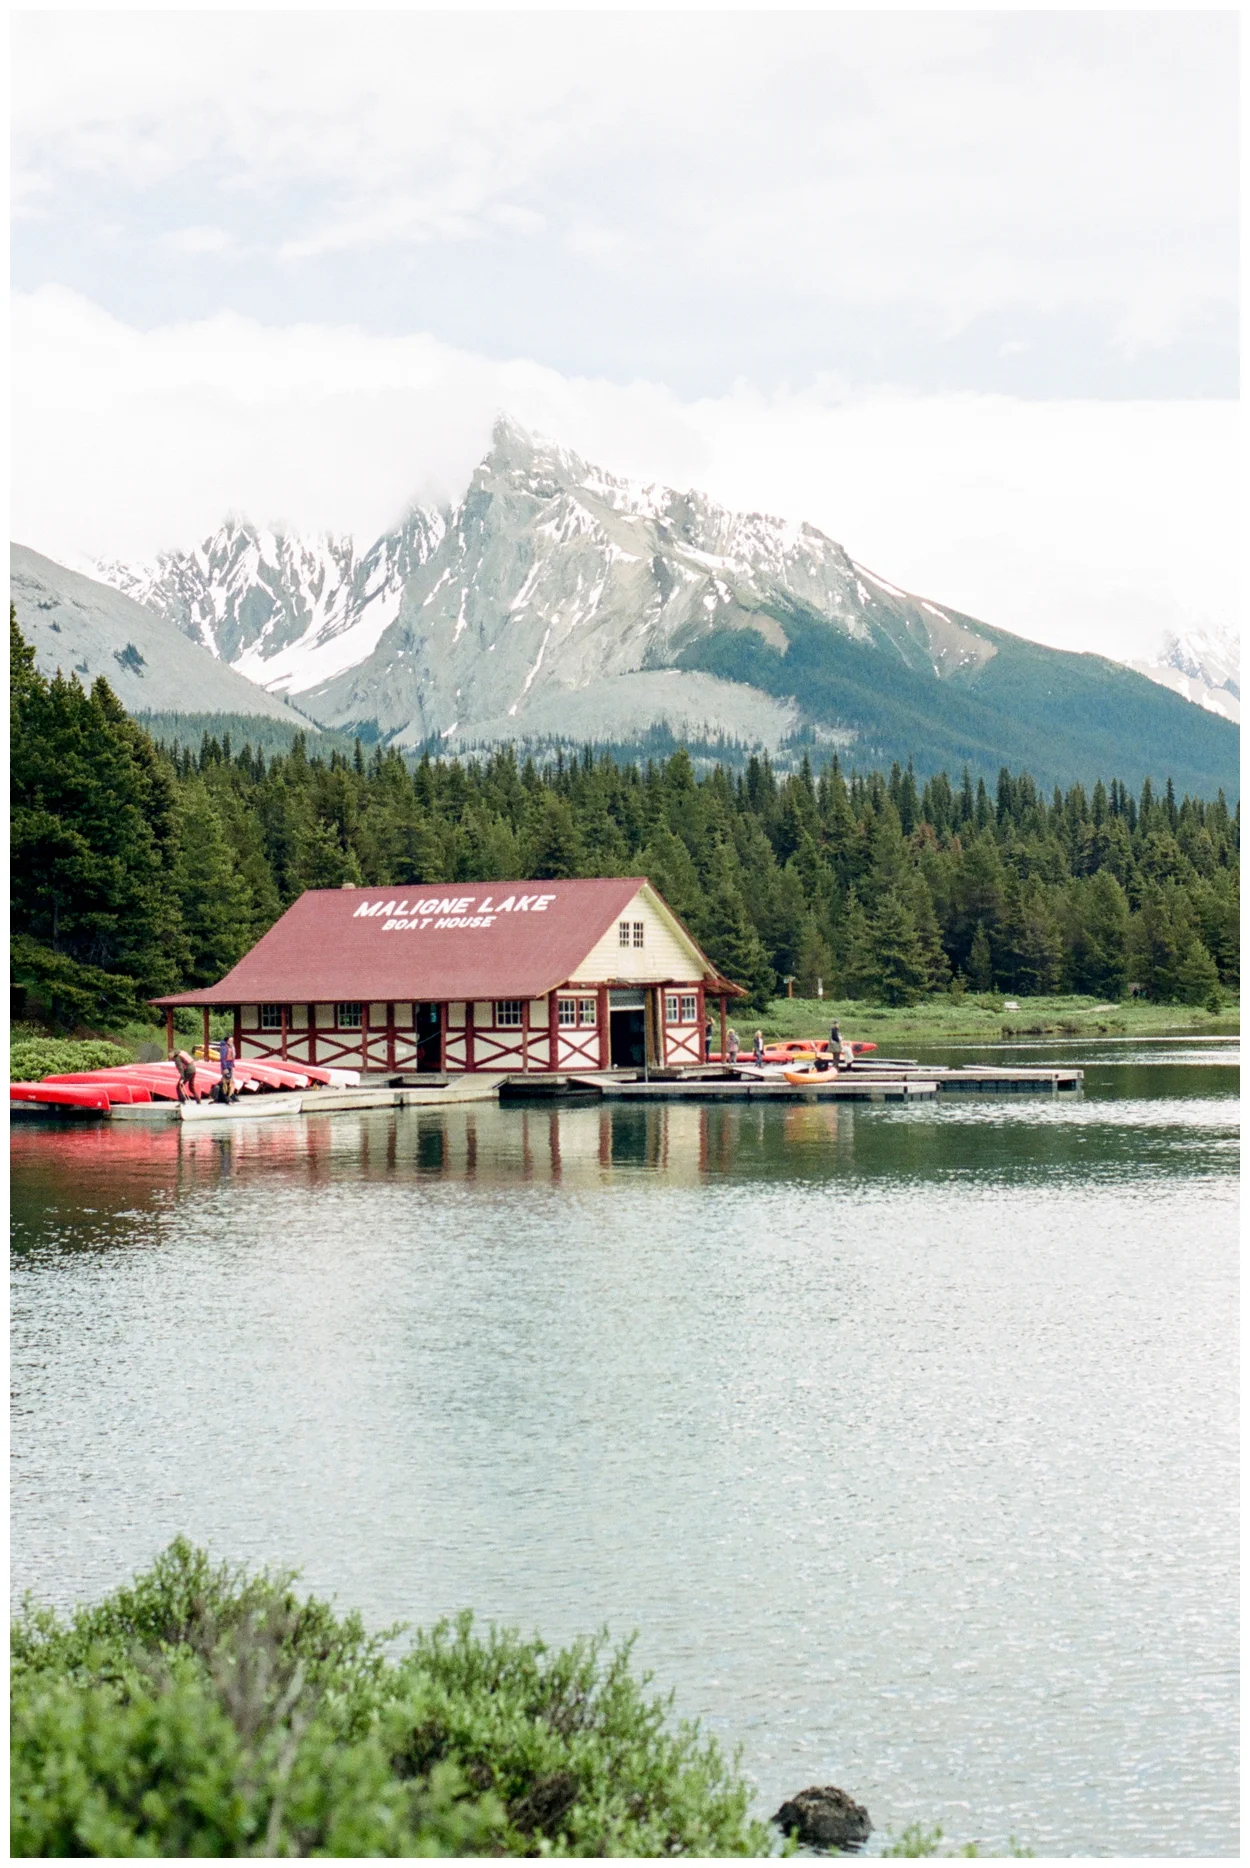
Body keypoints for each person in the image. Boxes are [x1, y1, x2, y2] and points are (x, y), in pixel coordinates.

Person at [215, 1033, 236, 1102]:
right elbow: (223, 1059)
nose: (232, 1042)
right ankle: (225, 1096)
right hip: (226, 1065)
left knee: (230, 1081)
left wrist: (232, 1065)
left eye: (232, 1040)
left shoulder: (230, 1047)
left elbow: (232, 1057)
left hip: (230, 1065)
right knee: (225, 1082)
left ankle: (231, 1095)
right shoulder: (224, 1048)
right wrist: (224, 1068)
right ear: (227, 1041)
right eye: (230, 1040)